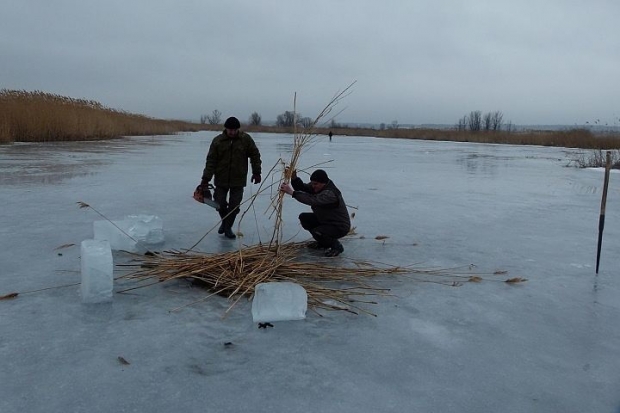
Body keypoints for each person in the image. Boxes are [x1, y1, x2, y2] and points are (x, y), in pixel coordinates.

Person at [198, 116, 262, 239]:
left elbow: (255, 155)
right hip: (221, 179)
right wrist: (205, 179)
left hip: (238, 180)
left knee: (234, 205)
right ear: (226, 129)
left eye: (234, 130)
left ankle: (227, 227)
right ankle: (225, 222)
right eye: (230, 130)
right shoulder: (218, 141)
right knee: (219, 203)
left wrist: (256, 172)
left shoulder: (245, 139)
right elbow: (211, 161)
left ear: (238, 129)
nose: (232, 132)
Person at [279, 169, 350, 257]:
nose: (313, 186)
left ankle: (336, 247)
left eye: (315, 184)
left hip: (339, 226)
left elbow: (312, 200)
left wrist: (292, 193)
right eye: (312, 183)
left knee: (318, 231)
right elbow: (303, 188)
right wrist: (294, 178)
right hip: (325, 220)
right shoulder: (319, 186)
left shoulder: (330, 194)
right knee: (305, 218)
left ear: (323, 183)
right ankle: (323, 242)